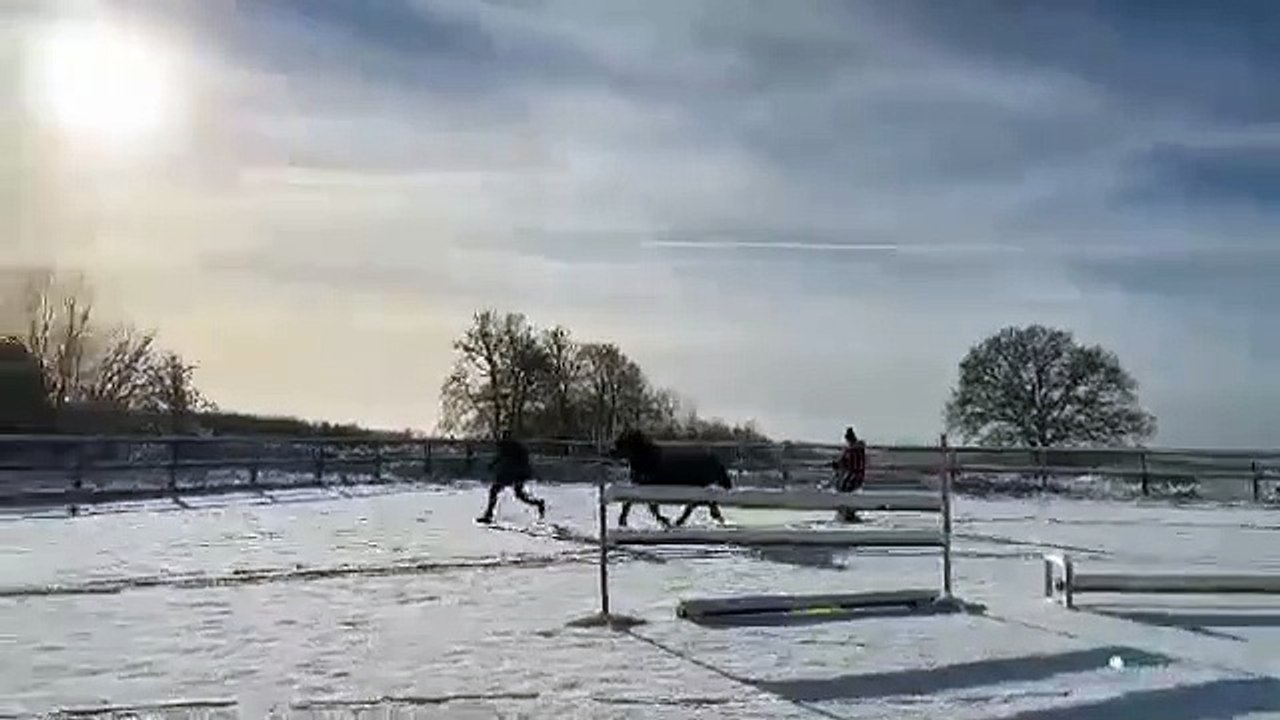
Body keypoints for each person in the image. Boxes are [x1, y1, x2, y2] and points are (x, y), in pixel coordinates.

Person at [475, 429, 546, 524]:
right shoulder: (514, 446)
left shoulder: (510, 447)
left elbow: (502, 457)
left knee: (495, 491)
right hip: (516, 474)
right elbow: (502, 457)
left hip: (512, 474)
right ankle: (538, 503)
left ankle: (489, 515)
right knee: (518, 495)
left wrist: (493, 465)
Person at [831, 426, 866, 523]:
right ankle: (848, 513)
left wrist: (837, 464)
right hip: (857, 476)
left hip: (852, 475)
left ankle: (846, 514)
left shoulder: (851, 450)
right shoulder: (858, 449)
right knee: (847, 493)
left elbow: (845, 462)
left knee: (844, 492)